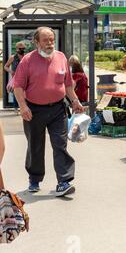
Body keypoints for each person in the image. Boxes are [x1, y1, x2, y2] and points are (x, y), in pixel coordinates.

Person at [12, 27, 84, 197]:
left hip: (58, 109)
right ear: (36, 42)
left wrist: (74, 100)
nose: (50, 43)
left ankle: (64, 181)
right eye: (45, 40)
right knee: (35, 146)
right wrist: (23, 106)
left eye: (51, 39)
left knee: (60, 144)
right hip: (34, 109)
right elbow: (18, 86)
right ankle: (35, 179)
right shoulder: (27, 61)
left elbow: (67, 84)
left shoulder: (61, 57)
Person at [4, 42, 27, 114]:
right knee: (16, 93)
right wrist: (11, 71)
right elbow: (5, 66)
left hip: (26, 78)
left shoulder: (26, 57)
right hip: (16, 78)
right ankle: (16, 108)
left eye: (23, 48)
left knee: (26, 94)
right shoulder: (12, 57)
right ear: (17, 49)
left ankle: (25, 108)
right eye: (20, 48)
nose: (22, 50)